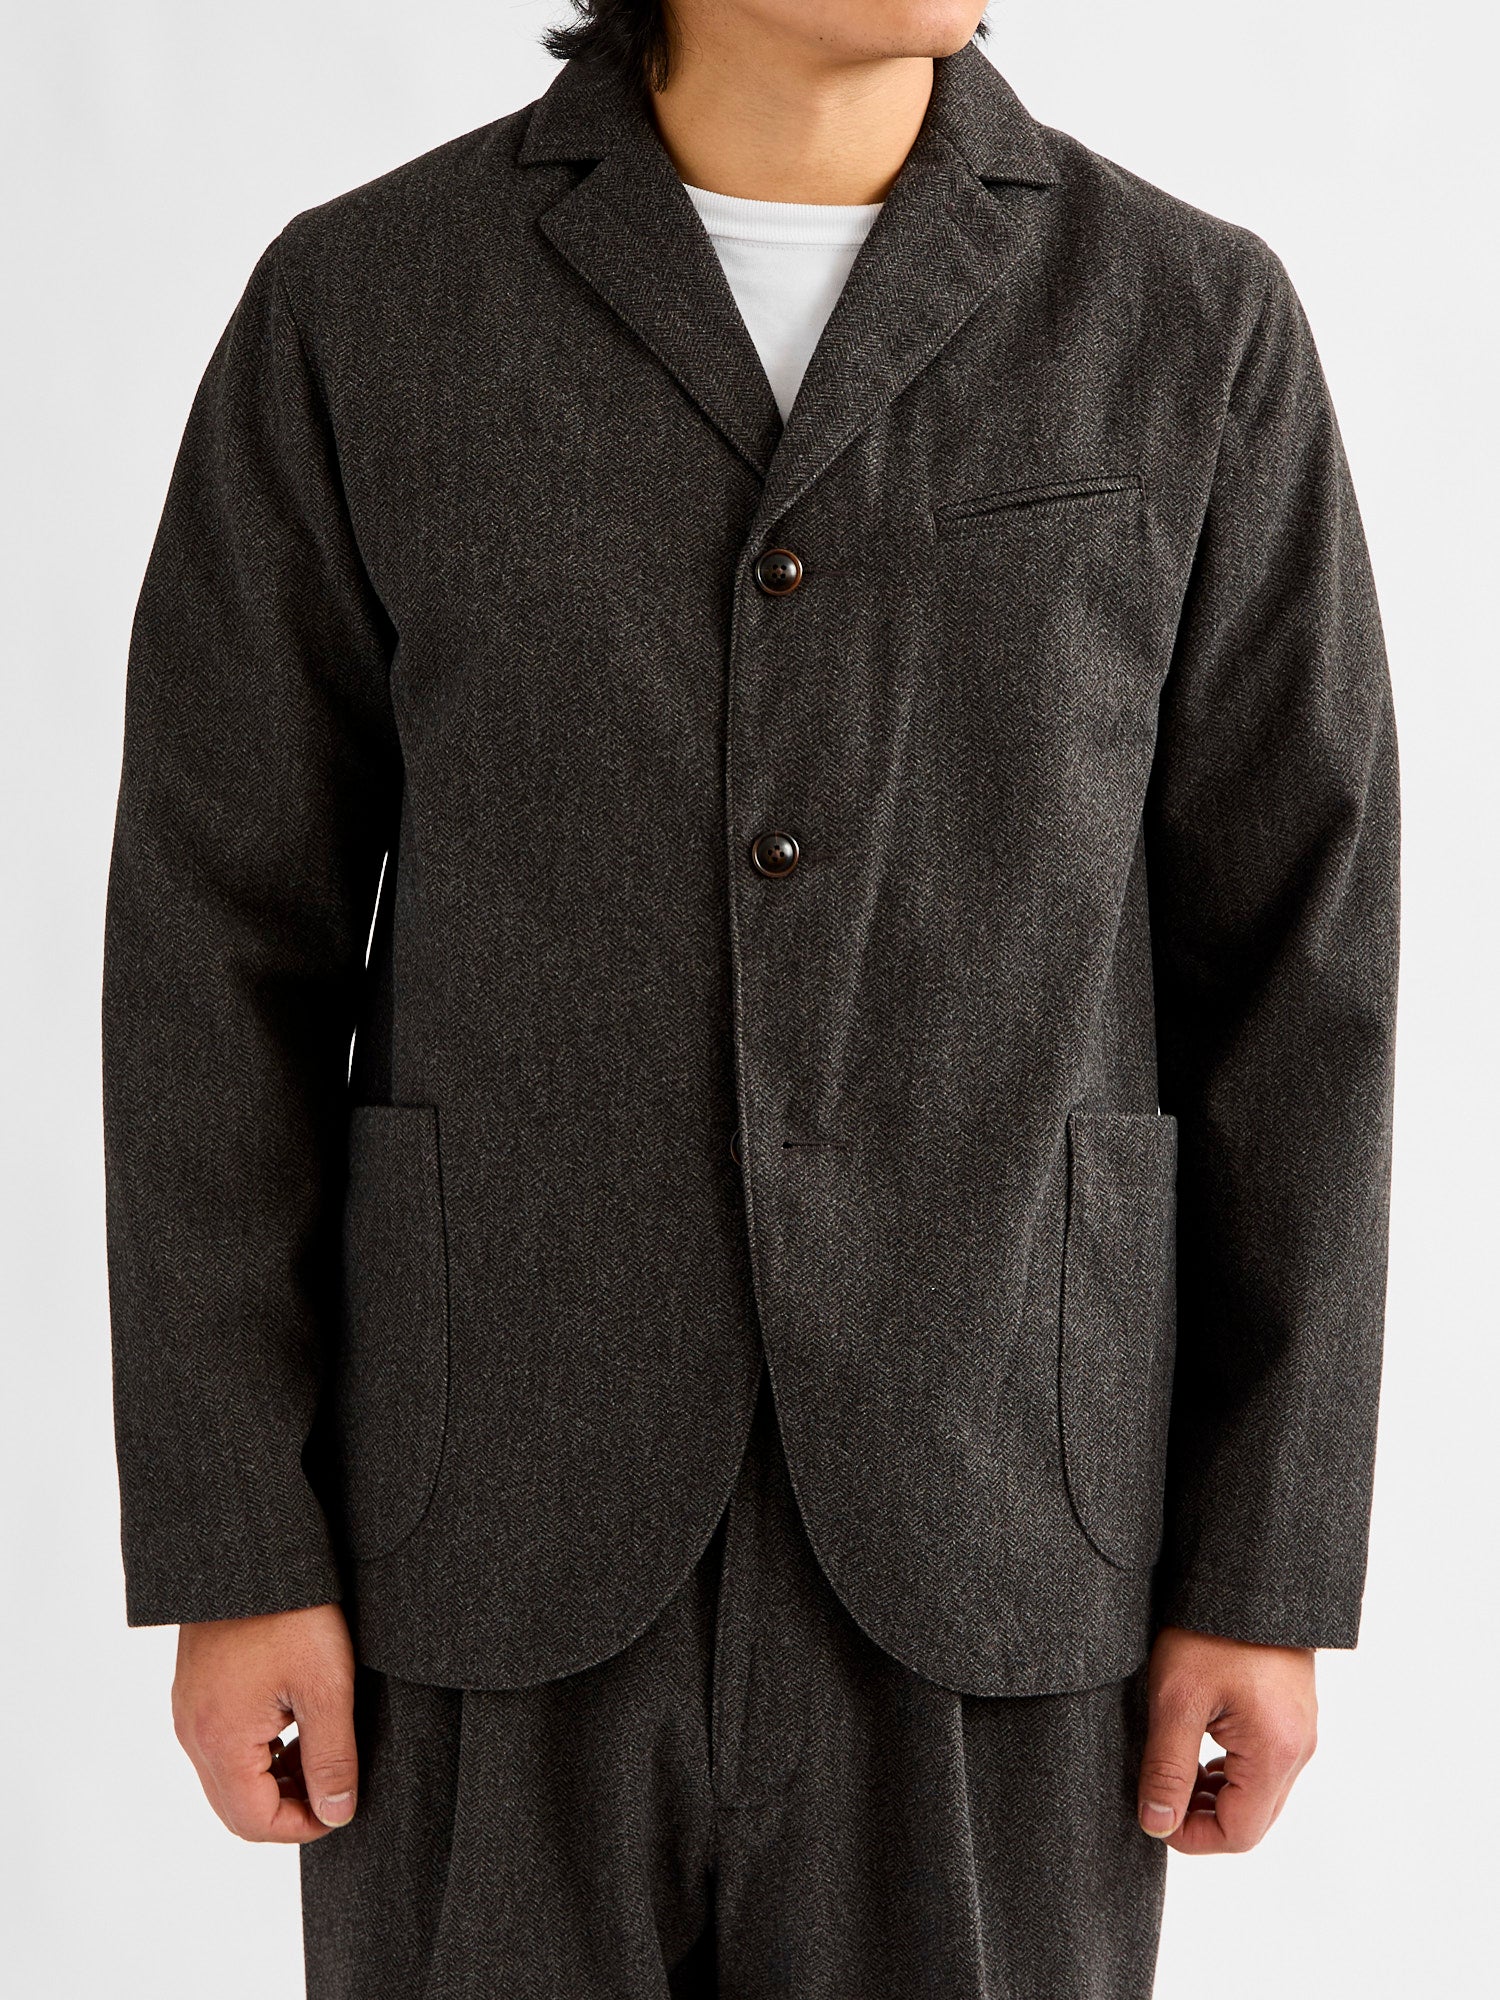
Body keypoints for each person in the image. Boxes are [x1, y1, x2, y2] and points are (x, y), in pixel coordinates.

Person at [101, 2, 1399, 1994]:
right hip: (486, 1528)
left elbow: (1303, 979)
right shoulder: (364, 306)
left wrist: (1265, 1569)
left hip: (1003, 1533)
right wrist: (236, 1544)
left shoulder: (1188, 320)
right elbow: (217, 950)